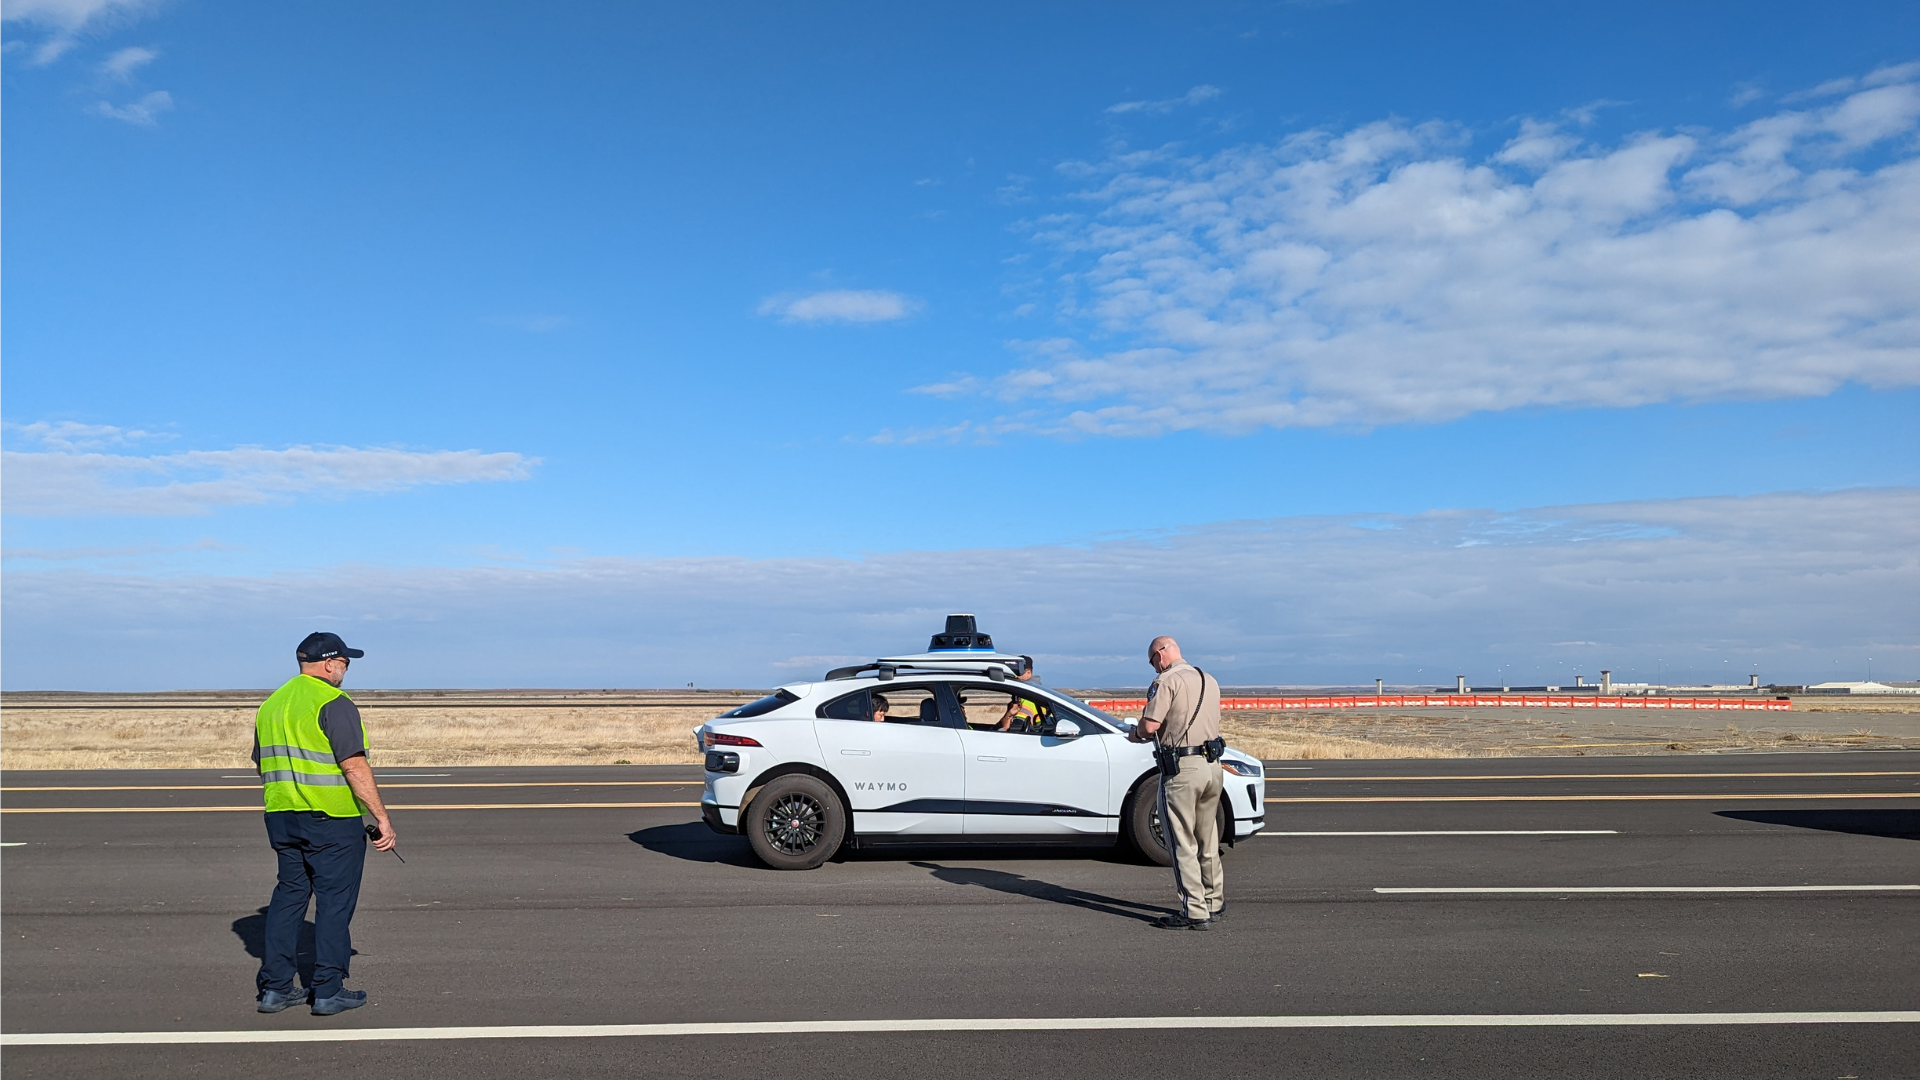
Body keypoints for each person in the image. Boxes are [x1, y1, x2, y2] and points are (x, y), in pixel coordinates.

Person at [252, 632, 396, 1015]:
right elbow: (353, 764)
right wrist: (381, 817)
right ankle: (328, 988)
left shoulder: (272, 705)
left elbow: (262, 762)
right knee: (334, 904)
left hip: (283, 817)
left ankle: (276, 988)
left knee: (288, 898)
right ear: (330, 663)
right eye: (345, 662)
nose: (346, 670)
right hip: (332, 821)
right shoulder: (334, 701)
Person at [1130, 635, 1223, 930]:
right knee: (1207, 839)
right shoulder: (1208, 678)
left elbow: (1151, 726)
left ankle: (1194, 910)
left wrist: (1136, 732)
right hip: (1212, 765)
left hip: (1183, 769)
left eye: (1152, 662)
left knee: (1181, 841)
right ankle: (1214, 900)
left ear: (1159, 655)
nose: (1154, 668)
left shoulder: (1167, 681)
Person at [995, 665, 1046, 733]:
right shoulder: (1037, 695)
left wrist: (1005, 723)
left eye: (1018, 673)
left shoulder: (1027, 699)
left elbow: (1016, 728)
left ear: (1028, 673)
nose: (1015, 676)